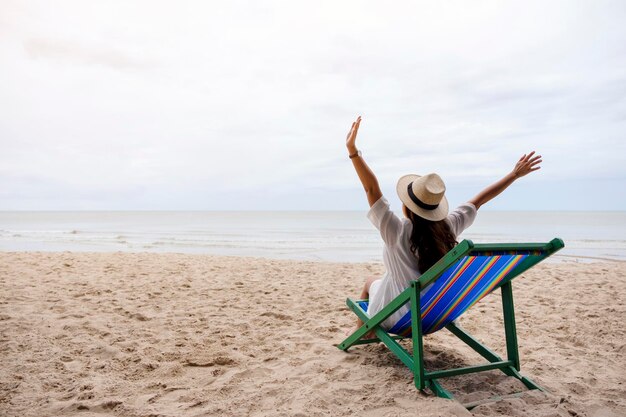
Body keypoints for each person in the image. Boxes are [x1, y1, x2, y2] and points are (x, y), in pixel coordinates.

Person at [345, 116, 542, 334]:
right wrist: (514, 175)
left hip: (401, 318)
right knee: (383, 281)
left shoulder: (397, 231)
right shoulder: (447, 227)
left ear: (407, 206)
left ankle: (361, 336)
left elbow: (371, 189)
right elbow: (480, 200)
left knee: (369, 283)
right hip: (435, 315)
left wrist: (353, 150)